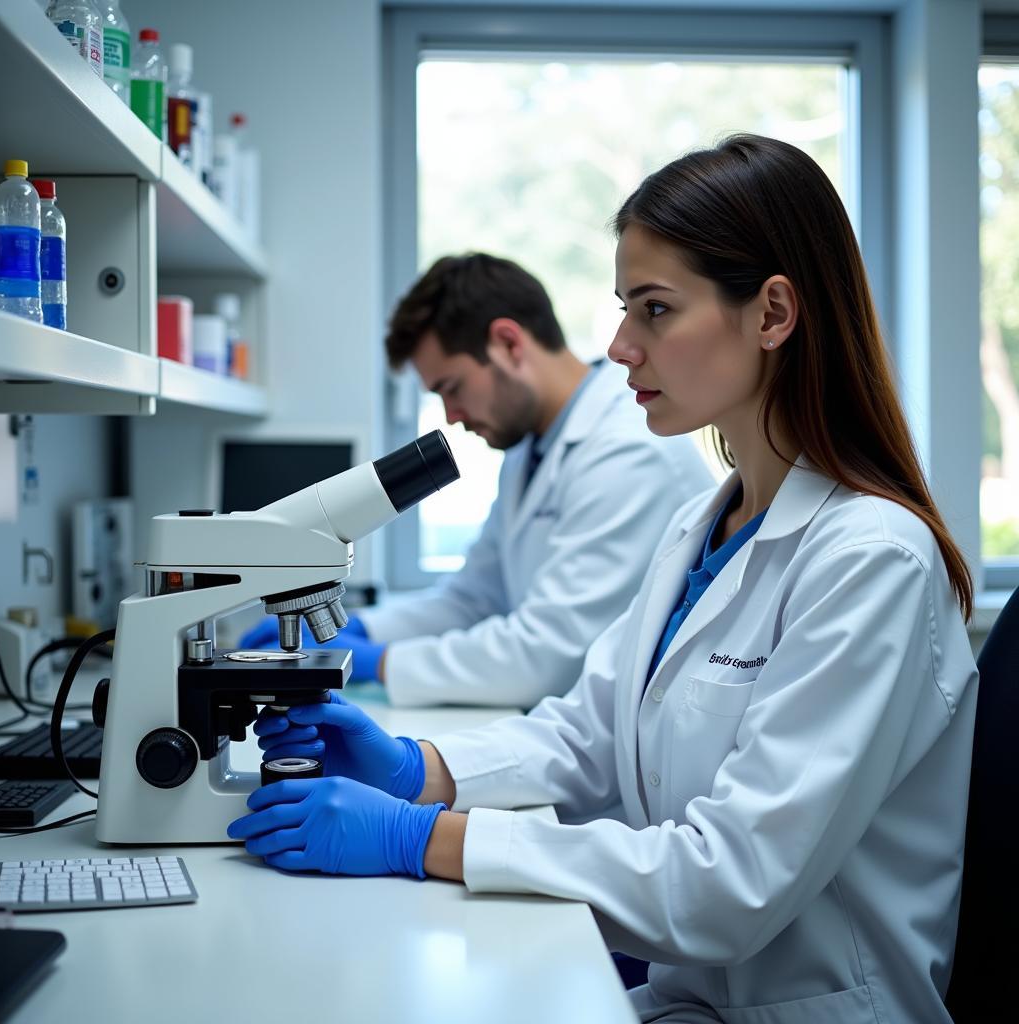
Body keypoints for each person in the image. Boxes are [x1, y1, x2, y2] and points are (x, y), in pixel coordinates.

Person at [228, 135, 977, 1024]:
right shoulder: (706, 525)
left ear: (773, 314)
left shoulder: (871, 562)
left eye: (653, 310)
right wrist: (414, 769)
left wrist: (420, 839)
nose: (619, 347)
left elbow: (725, 884)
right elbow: (587, 736)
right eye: (624, 309)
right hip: (694, 994)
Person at [242, 253, 713, 707]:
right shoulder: (532, 446)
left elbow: (545, 656)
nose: (451, 415)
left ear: (508, 343)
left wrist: (375, 661)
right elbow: (473, 599)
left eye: (452, 388)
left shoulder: (626, 452)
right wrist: (365, 629)